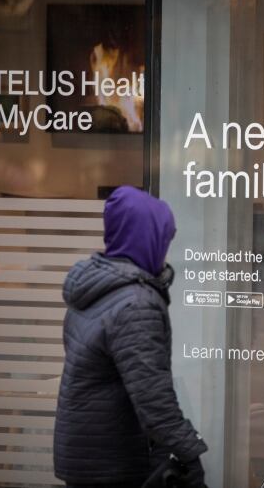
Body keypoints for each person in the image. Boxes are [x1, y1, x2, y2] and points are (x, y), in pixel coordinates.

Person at [54, 186, 208, 488]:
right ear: (146, 238)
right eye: (163, 239)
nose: (165, 251)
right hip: (113, 461)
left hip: (87, 454)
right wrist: (189, 453)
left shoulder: (95, 288)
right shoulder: (134, 303)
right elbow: (153, 397)